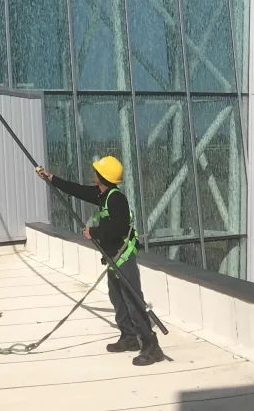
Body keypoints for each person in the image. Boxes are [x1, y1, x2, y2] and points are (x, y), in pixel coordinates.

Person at [37, 156, 165, 366]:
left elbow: (120, 228)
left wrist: (93, 232)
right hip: (113, 258)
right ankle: (129, 336)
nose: (93, 173)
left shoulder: (116, 199)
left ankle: (152, 347)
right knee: (117, 297)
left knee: (133, 301)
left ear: (103, 177)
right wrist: (51, 179)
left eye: (97, 171)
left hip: (123, 257)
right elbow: (77, 190)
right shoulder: (102, 194)